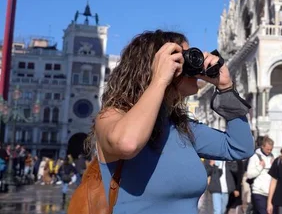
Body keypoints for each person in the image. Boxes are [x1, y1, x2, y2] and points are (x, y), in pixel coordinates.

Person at [91, 30, 255, 214]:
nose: (192, 63)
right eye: (181, 58)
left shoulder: (182, 128)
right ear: (153, 65)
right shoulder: (111, 117)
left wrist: (226, 89)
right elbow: (127, 143)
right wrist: (160, 79)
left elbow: (240, 147)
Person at [246, 136, 276, 214]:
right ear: (262, 146)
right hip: (258, 192)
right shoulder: (255, 157)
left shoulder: (272, 157)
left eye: (271, 149)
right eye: (267, 149)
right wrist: (260, 167)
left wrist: (274, 166)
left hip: (269, 193)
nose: (269, 151)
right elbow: (249, 174)